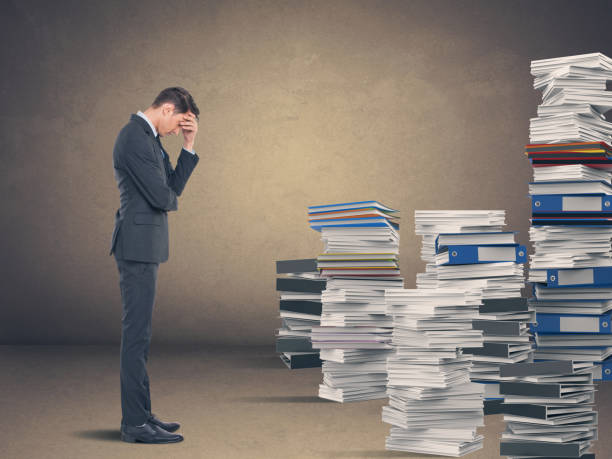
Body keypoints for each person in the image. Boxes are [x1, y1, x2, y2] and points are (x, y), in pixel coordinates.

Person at [109, 87, 200, 444]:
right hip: (136, 248)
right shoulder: (134, 137)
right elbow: (164, 197)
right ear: (165, 109)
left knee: (141, 336)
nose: (178, 130)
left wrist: (188, 148)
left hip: (144, 247)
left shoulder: (150, 138)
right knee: (136, 336)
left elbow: (172, 188)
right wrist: (167, 193)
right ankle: (134, 423)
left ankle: (142, 413)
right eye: (179, 123)